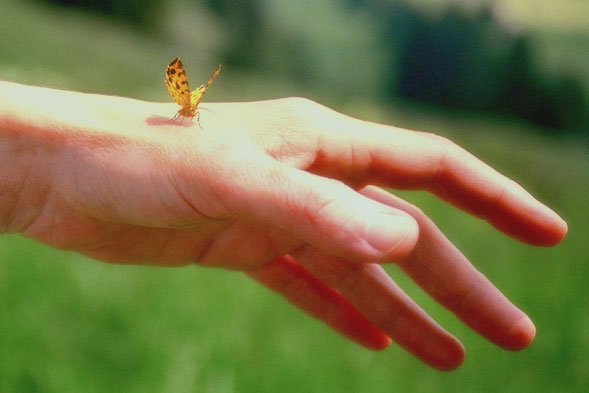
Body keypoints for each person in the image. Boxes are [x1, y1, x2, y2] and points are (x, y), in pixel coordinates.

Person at [0, 80, 567, 370]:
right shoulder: (183, 112)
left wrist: (37, 167)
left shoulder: (187, 109)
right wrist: (40, 163)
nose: (185, 103)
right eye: (184, 98)